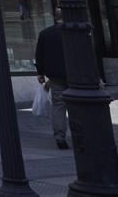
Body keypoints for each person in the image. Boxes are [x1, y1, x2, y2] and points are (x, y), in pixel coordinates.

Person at [35, 8, 70, 150]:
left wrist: (40, 73)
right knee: (78, 104)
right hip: (77, 75)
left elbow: (39, 55)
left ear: (55, 17)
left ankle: (60, 136)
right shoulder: (73, 31)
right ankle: (82, 134)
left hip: (55, 76)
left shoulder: (45, 33)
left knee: (58, 105)